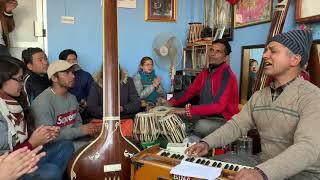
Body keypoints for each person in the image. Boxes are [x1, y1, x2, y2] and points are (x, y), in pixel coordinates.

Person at [186, 29, 319, 180]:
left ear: (294, 59)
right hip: (264, 162)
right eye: (266, 50)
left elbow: (307, 148)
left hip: (303, 174)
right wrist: (206, 143)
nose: (265, 55)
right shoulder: (259, 97)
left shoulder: (313, 97)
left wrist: (262, 173)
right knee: (206, 166)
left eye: (273, 51)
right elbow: (236, 126)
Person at [0, 56, 74, 180]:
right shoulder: (43, 101)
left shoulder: (15, 101)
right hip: (9, 168)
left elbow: (23, 139)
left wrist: (44, 134)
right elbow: (6, 161)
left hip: (26, 154)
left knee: (66, 146)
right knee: (52, 171)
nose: (22, 84)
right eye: (19, 80)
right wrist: (32, 142)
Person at [168, 39, 239, 138]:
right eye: (212, 50)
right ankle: (188, 131)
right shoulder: (205, 72)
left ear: (225, 58)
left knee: (201, 126)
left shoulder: (227, 76)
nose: (213, 54)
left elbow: (218, 106)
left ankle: (189, 132)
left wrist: (187, 110)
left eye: (218, 51)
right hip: (205, 115)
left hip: (224, 120)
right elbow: (190, 91)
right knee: (172, 115)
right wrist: (170, 102)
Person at [31, 60, 100, 151]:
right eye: (67, 73)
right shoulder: (42, 103)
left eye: (72, 72)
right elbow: (48, 136)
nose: (73, 76)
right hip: (54, 149)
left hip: (74, 143)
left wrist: (89, 130)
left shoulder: (72, 98)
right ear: (54, 78)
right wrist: (81, 131)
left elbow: (77, 124)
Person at [87, 66, 141, 136]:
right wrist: (109, 110)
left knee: (129, 128)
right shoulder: (96, 84)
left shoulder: (128, 81)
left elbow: (136, 104)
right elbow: (91, 107)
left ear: (119, 72)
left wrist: (123, 108)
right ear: (103, 72)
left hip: (124, 120)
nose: (112, 74)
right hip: (102, 120)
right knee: (94, 129)